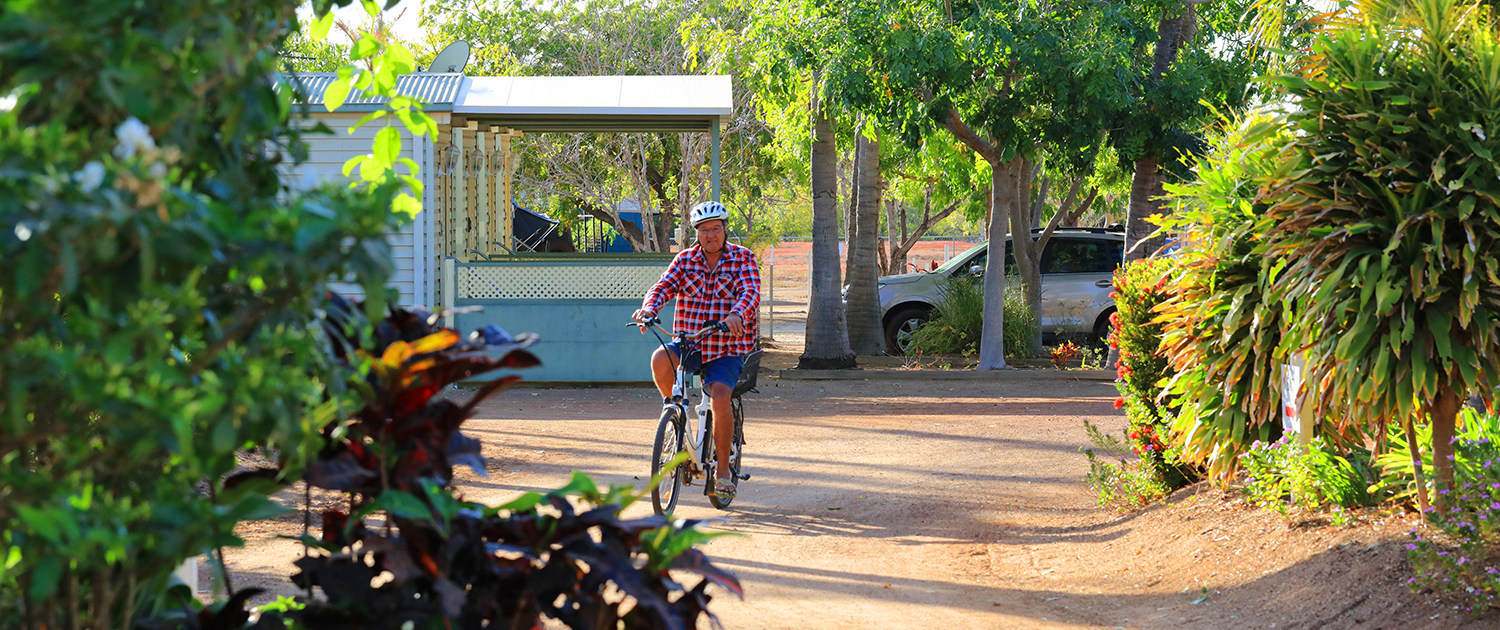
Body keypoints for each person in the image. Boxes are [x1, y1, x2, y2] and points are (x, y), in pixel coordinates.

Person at [633, 201, 761, 499]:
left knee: (719, 397)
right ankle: (675, 413)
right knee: (660, 358)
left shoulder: (743, 259)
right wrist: (649, 309)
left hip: (727, 346)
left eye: (716, 229)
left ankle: (724, 472)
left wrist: (737, 315)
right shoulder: (684, 260)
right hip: (691, 341)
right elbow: (663, 287)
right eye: (704, 230)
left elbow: (750, 293)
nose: (710, 235)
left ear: (725, 230)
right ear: (696, 233)